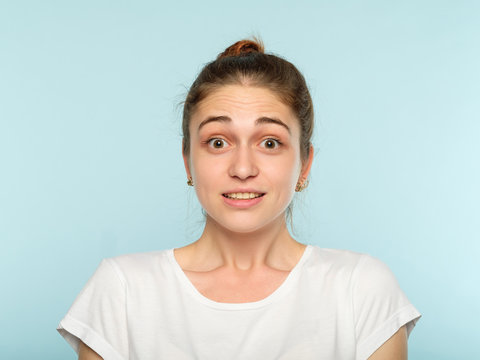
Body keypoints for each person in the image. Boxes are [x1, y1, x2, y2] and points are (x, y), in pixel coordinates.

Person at [57, 39, 421, 360]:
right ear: (188, 161)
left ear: (305, 163)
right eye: (218, 142)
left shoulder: (361, 289)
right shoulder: (121, 291)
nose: (243, 168)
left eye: (270, 142)